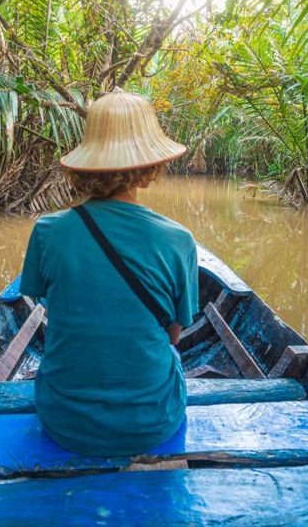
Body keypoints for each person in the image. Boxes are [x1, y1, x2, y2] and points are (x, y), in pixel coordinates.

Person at [18, 89, 199, 457]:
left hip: (63, 420)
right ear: (149, 169)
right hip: (152, 422)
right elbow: (174, 337)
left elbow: (52, 310)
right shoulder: (178, 241)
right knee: (173, 359)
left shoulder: (47, 231)